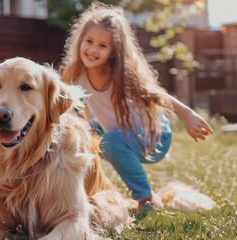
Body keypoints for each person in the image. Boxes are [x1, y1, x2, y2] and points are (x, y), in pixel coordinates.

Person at [59, 3, 213, 212]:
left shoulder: (124, 76)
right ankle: (83, 193)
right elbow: (61, 101)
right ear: (80, 40)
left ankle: (147, 198)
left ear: (114, 52)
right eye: (89, 41)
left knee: (109, 142)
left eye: (102, 46)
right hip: (118, 133)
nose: (93, 50)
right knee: (85, 139)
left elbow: (157, 95)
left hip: (154, 135)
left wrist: (188, 114)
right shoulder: (74, 71)